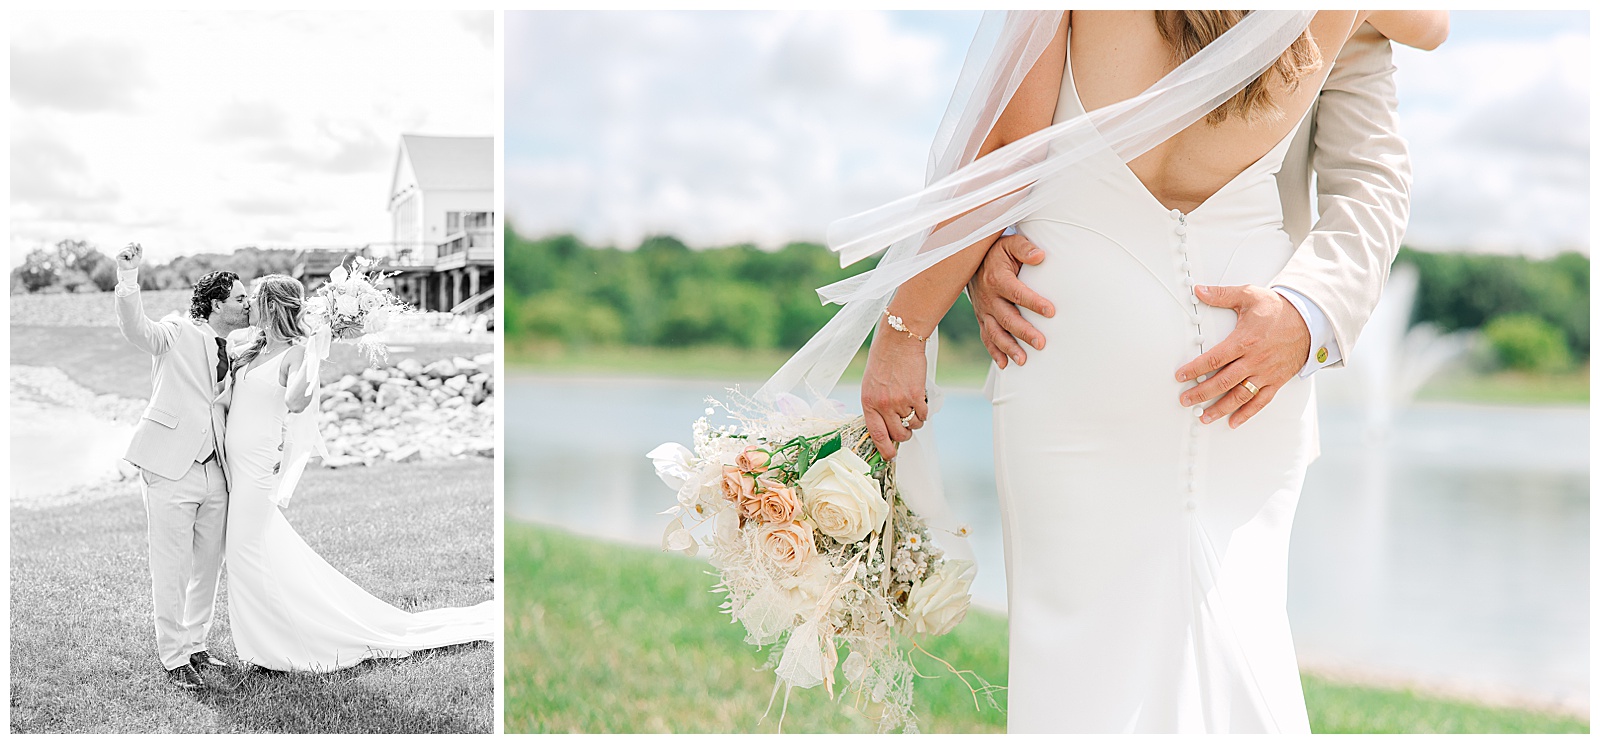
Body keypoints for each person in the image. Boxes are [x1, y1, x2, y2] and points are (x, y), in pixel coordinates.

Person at [855, 11, 1447, 733]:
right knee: (1239, 628)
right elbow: (1434, 23)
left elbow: (1009, 149)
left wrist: (904, 329)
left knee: (1074, 644)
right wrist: (984, 258)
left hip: (1078, 337)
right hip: (1235, 356)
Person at [220, 274, 495, 672]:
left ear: (273, 305)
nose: (247, 306)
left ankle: (278, 647)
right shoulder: (246, 350)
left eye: (254, 299)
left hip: (258, 467)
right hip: (236, 467)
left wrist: (315, 351)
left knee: (244, 553)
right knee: (253, 552)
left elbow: (297, 401)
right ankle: (268, 641)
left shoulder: (297, 354)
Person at [114, 243, 248, 690]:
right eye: (240, 299)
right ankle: (173, 658)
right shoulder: (176, 328)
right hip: (171, 466)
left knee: (207, 567)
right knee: (170, 567)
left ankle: (196, 646)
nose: (246, 304)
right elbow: (139, 332)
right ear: (216, 304)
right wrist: (128, 278)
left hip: (217, 473)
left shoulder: (233, 347)